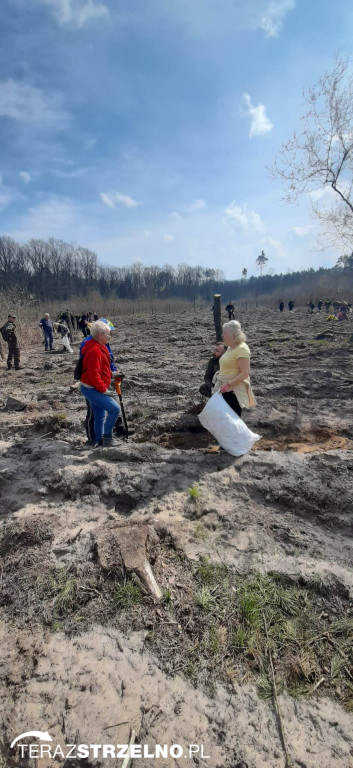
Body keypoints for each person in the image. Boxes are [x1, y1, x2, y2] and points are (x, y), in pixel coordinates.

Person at [80, 318, 126, 443]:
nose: (109, 337)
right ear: (100, 335)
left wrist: (112, 374)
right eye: (108, 334)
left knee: (100, 415)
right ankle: (107, 438)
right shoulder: (94, 350)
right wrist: (103, 390)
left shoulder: (101, 347)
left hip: (94, 386)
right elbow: (93, 374)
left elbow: (101, 370)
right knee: (114, 409)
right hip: (91, 388)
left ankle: (99, 441)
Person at [212, 320, 256, 418]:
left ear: (233, 335)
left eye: (224, 333)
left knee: (232, 422)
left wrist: (228, 385)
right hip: (224, 389)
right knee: (223, 421)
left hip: (233, 392)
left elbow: (245, 373)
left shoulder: (242, 349)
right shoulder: (230, 348)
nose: (222, 335)